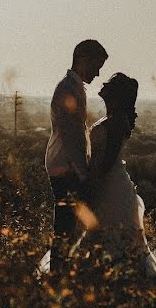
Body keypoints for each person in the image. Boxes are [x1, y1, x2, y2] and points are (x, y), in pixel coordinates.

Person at [84, 73, 156, 277]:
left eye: (109, 83)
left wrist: (91, 186)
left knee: (109, 236)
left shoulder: (117, 122)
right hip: (109, 182)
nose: (103, 83)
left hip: (110, 187)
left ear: (116, 95)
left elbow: (107, 161)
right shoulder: (111, 119)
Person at [44, 39, 108, 275]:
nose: (98, 73)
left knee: (67, 225)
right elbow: (71, 137)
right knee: (65, 225)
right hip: (64, 166)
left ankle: (61, 273)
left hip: (65, 163)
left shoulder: (73, 86)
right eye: (96, 65)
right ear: (82, 59)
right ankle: (57, 276)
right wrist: (83, 172)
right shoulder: (68, 89)